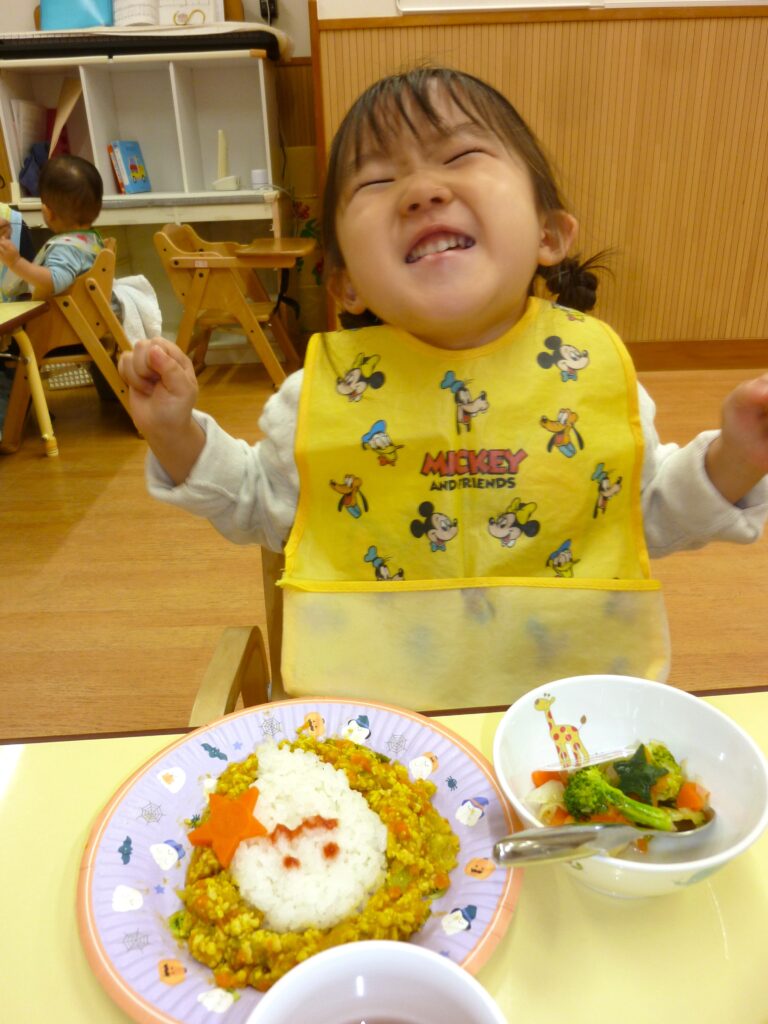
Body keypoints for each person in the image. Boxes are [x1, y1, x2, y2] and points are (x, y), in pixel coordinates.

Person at [117, 67, 768, 710]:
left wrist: (736, 456)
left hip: (569, 722)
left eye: (460, 155)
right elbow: (259, 504)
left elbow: (640, 518)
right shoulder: (321, 397)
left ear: (549, 235)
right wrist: (177, 433)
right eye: (377, 179)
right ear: (344, 283)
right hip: (370, 726)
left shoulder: (588, 370)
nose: (422, 190)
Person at [0, 154, 104, 300]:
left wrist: (16, 262)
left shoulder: (65, 249)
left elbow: (55, 281)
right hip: (88, 309)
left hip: (67, 319)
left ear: (48, 213)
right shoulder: (91, 239)